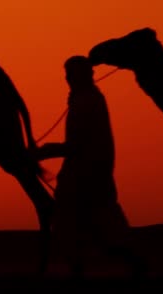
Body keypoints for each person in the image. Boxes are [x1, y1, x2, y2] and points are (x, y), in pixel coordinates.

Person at [34, 55, 146, 279]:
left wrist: (44, 151)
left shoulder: (86, 101)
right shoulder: (88, 99)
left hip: (86, 174)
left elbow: (77, 145)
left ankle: (81, 271)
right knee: (103, 224)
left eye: (70, 74)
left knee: (70, 223)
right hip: (94, 171)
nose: (67, 78)